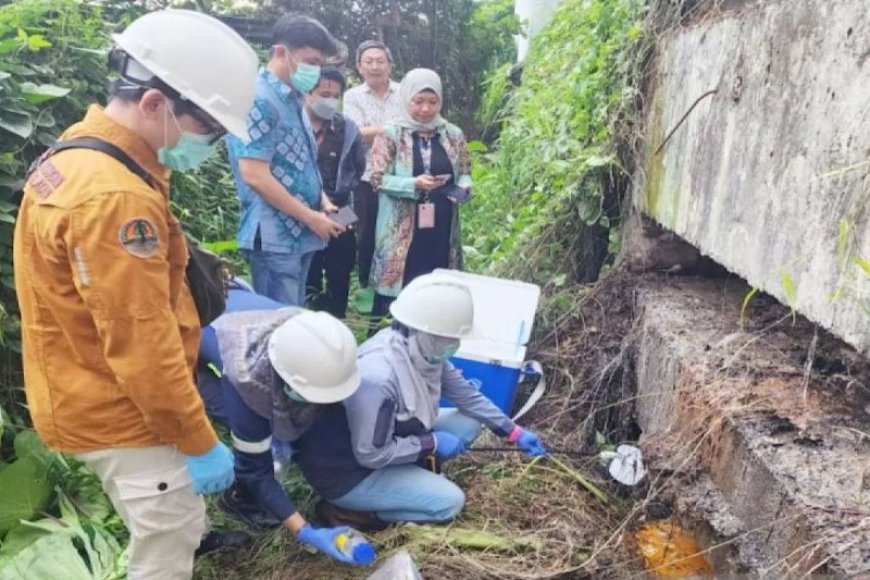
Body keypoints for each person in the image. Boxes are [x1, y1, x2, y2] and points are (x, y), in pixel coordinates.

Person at [13, 10, 259, 579]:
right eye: (210, 129)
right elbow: (141, 345)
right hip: (122, 413)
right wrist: (198, 441)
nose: (210, 143)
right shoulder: (116, 199)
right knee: (165, 547)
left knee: (168, 524)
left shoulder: (81, 155)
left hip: (85, 389)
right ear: (154, 104)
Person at [296, 274, 547, 527]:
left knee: (467, 424)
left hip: (388, 439)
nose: (454, 345)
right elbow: (370, 455)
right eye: (448, 338)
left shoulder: (421, 351)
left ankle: (411, 477)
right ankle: (353, 512)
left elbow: (467, 396)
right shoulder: (378, 379)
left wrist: (513, 432)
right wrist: (432, 443)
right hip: (349, 472)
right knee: (449, 503)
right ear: (426, 332)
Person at [204, 307, 367, 565]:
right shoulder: (247, 381)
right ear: (284, 379)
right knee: (250, 432)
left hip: (236, 316)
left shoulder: (313, 340)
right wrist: (303, 530)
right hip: (184, 353)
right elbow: (254, 470)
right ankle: (239, 499)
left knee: (286, 431)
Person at [226, 15, 344, 306]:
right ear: (281, 52)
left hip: (298, 234)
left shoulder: (293, 98)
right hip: (274, 237)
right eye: (311, 61)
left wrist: (323, 201)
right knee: (277, 326)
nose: (316, 71)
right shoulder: (260, 100)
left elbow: (299, 163)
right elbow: (254, 174)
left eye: (320, 64)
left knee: (293, 317)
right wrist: (311, 217)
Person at [368, 68, 473, 318]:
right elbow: (377, 178)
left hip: (441, 221)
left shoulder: (453, 134)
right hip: (400, 223)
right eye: (418, 101)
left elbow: (465, 170)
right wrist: (413, 183)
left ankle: (431, 334)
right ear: (406, 99)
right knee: (400, 281)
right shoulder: (391, 133)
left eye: (432, 102)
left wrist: (465, 187)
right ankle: (389, 336)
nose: (425, 109)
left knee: (436, 278)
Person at [303, 68, 366, 319]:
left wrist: (340, 210)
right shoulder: (296, 125)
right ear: (308, 93)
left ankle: (337, 321)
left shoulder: (347, 128)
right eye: (324, 94)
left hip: (340, 208)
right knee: (310, 270)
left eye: (336, 95)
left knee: (341, 267)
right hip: (302, 210)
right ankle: (310, 320)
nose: (330, 100)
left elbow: (357, 168)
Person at [343, 40, 404, 289]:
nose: (375, 66)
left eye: (380, 61)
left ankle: (398, 278)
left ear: (390, 65)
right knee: (368, 232)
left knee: (400, 228)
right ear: (359, 67)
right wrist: (394, 129)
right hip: (367, 176)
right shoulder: (352, 96)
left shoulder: (405, 92)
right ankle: (368, 285)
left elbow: (416, 124)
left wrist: (376, 131)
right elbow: (355, 134)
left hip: (403, 174)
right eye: (369, 61)